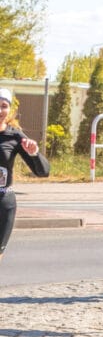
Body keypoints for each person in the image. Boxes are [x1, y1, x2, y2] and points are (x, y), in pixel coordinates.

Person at [0, 88, 50, 266]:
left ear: (9, 110)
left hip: (3, 203)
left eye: (3, 106)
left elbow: (43, 172)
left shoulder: (14, 137)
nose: (0, 111)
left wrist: (35, 153)